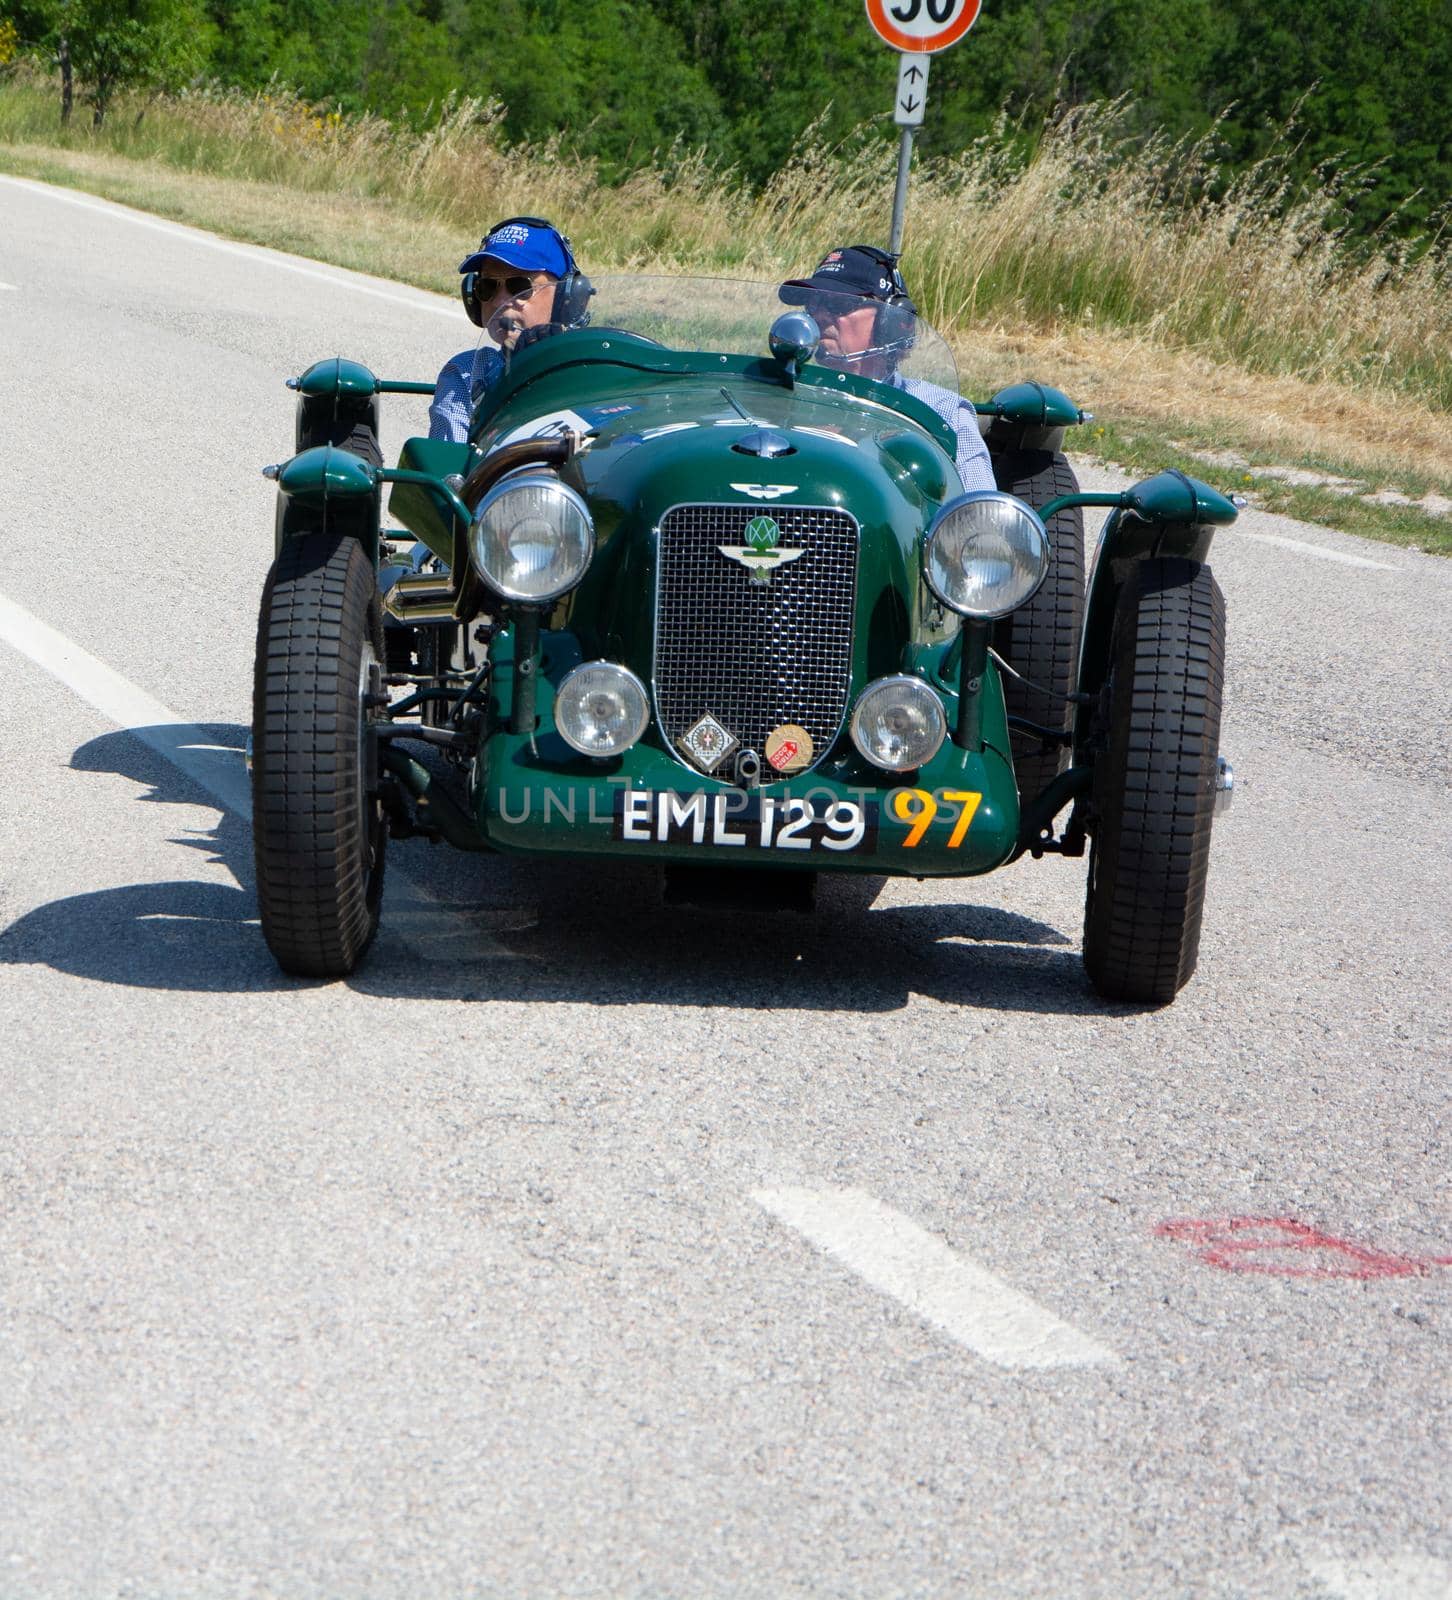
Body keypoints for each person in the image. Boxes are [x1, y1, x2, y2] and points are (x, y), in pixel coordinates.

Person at [779, 244, 995, 493]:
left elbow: (983, 515)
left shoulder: (943, 412)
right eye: (812, 305)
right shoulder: (781, 398)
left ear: (890, 322)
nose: (819, 315)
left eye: (837, 304)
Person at [429, 216, 594, 443]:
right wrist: (507, 377)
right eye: (487, 287)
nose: (500, 301)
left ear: (566, 296)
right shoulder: (467, 373)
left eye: (520, 286)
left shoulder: (593, 369)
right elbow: (449, 469)